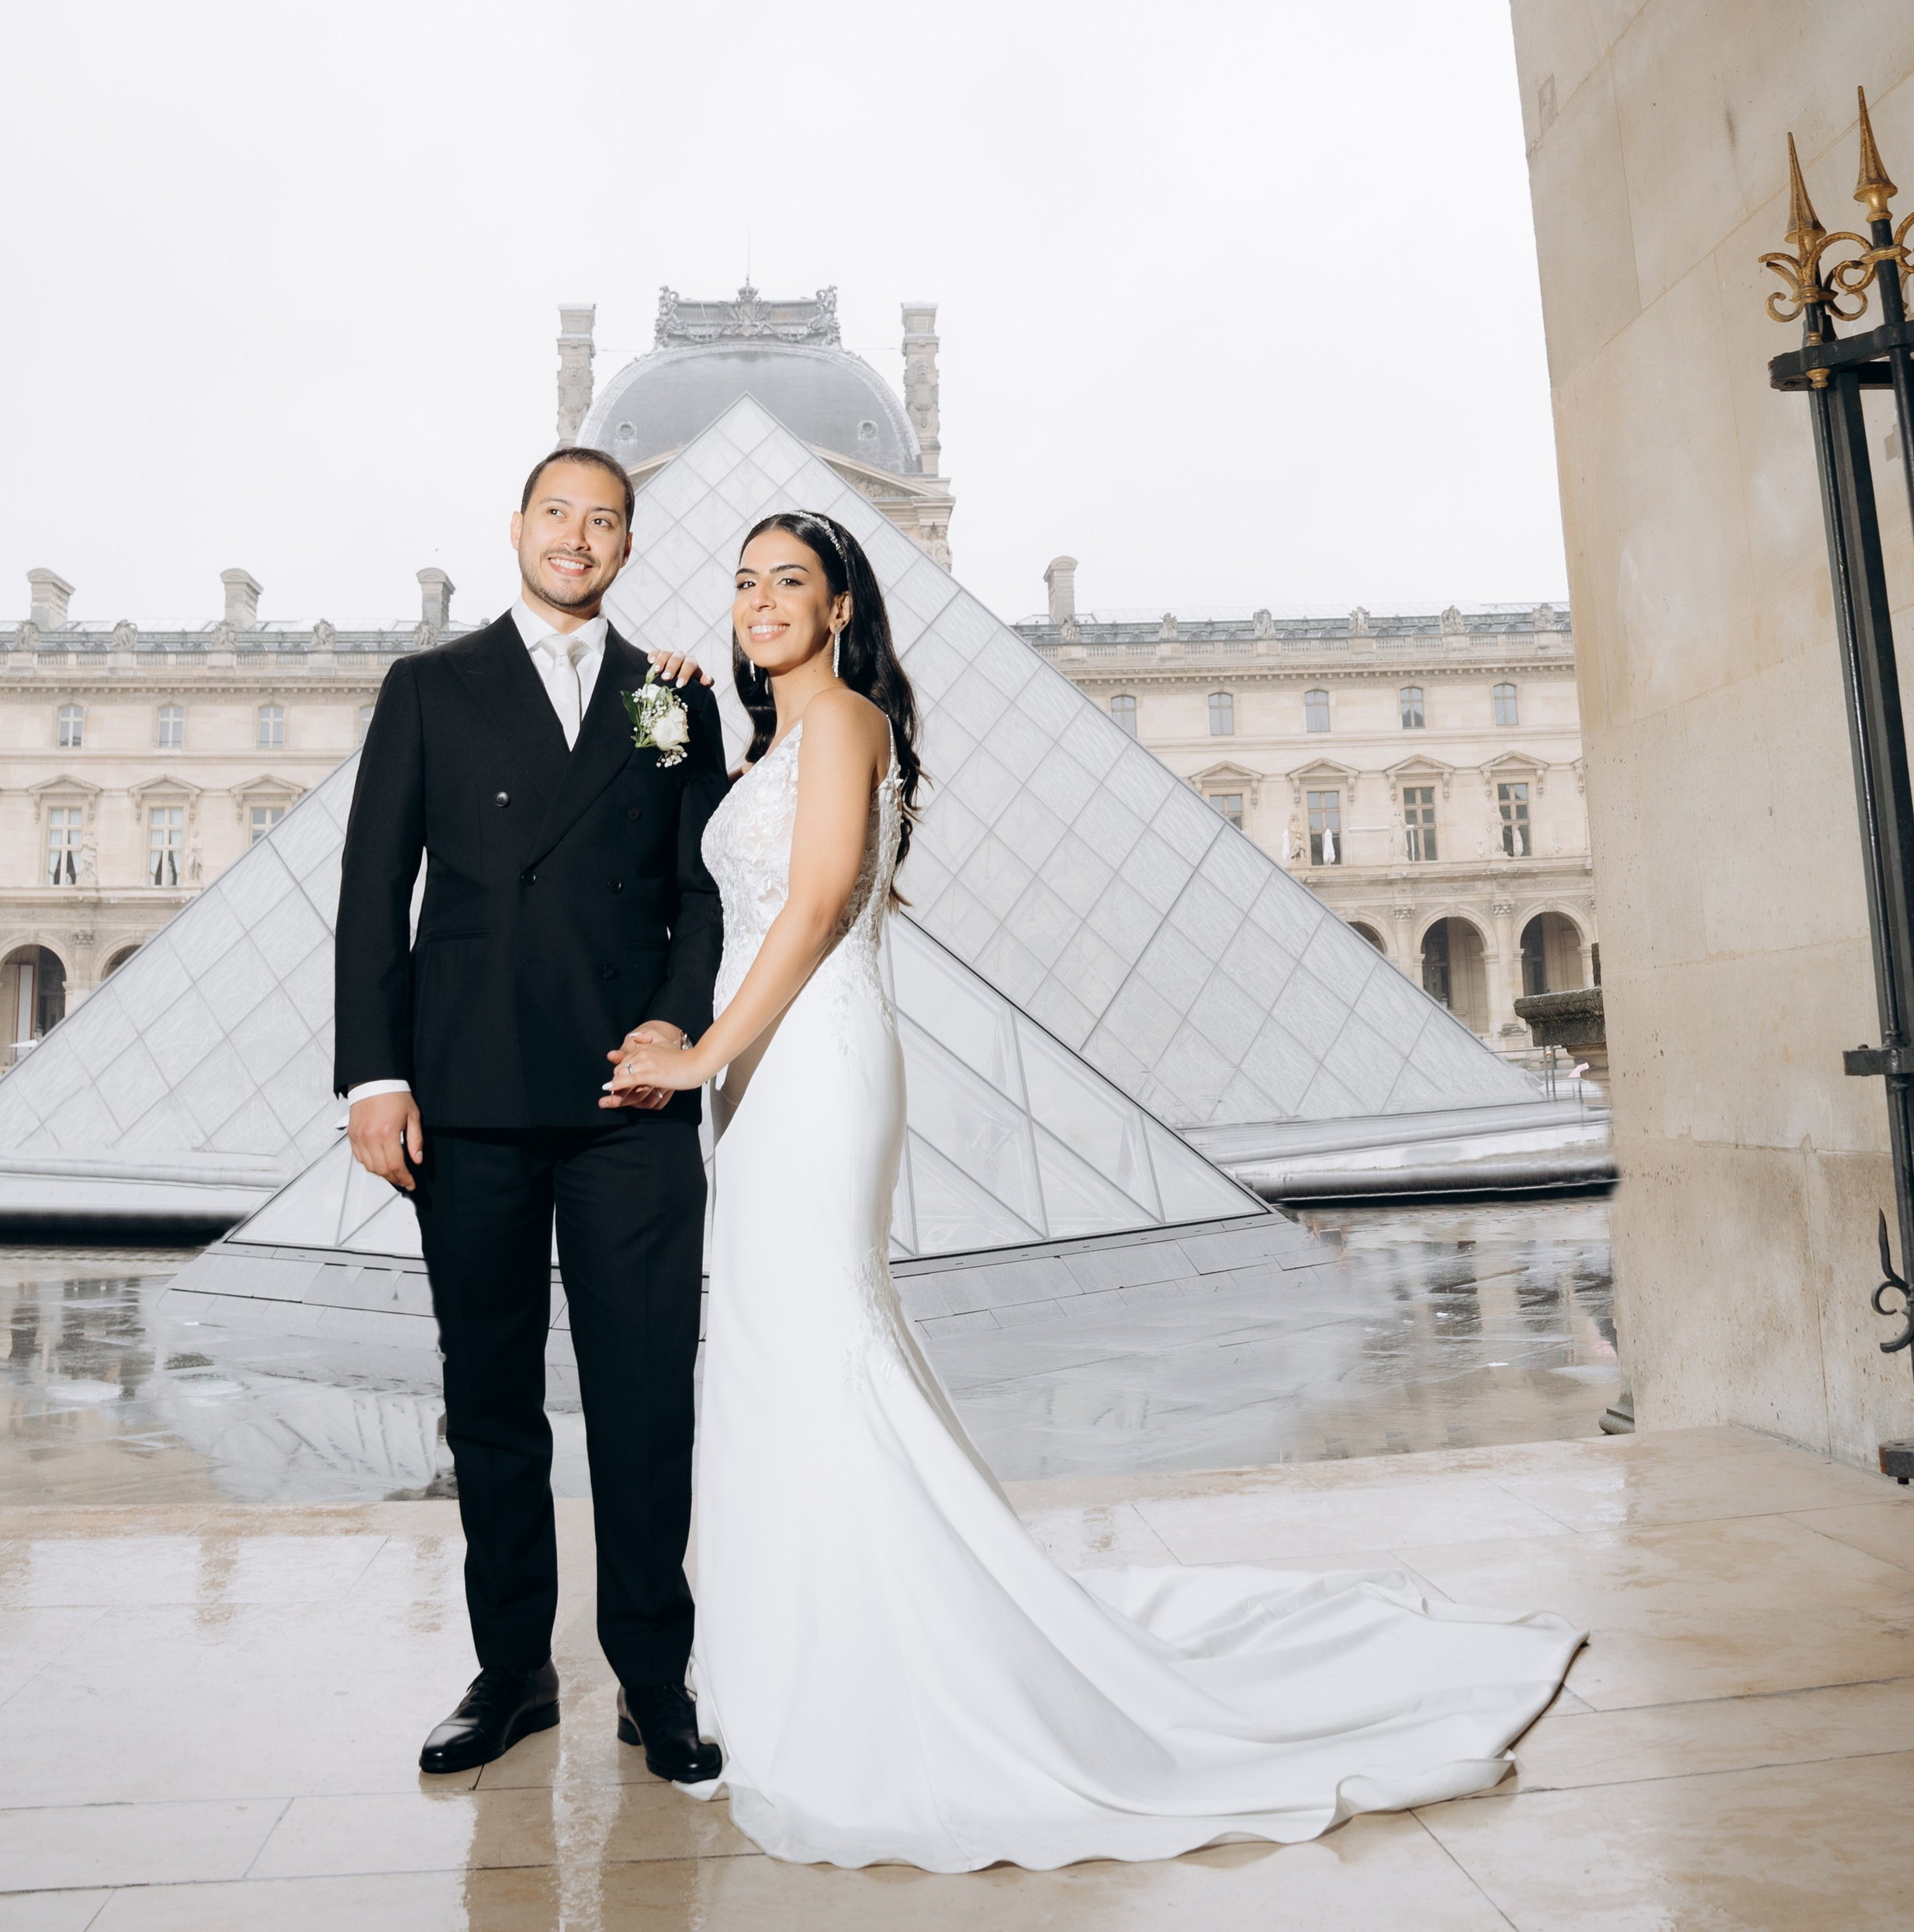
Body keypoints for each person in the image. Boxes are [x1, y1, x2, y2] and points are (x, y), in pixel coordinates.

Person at [607, 509, 1585, 1872]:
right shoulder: (771, 737)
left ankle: (868, 1663)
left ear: (842, 611)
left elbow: (820, 901)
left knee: (819, 1347)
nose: (762, 600)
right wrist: (700, 1017)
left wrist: (709, 1043)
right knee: (780, 1353)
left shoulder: (841, 724)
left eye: (793, 583)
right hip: (768, 1073)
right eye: (746, 580)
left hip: (814, 1061)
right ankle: (796, 1648)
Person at [334, 446, 728, 1784]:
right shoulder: (430, 687)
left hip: (630, 1096)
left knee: (643, 1400)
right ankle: (512, 1676)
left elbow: (703, 890)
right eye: (558, 513)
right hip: (473, 1093)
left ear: (627, 544)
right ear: (517, 528)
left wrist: (677, 1027)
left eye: (603, 520)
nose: (578, 537)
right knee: (490, 1398)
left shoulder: (675, 697)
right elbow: (372, 887)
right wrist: (373, 1075)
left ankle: (653, 1680)